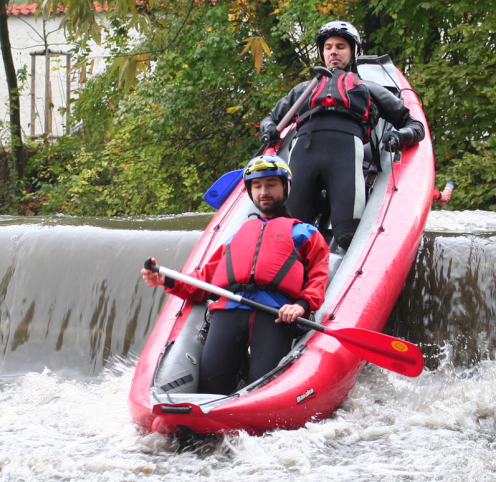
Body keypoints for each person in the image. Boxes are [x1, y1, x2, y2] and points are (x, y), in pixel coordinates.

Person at [141, 156, 330, 395]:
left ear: (286, 187)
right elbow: (204, 280)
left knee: (262, 388)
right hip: (228, 312)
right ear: (251, 192)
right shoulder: (237, 236)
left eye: (271, 184)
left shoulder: (305, 233)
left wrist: (301, 306)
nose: (264, 191)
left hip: (276, 315)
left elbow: (318, 278)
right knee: (211, 389)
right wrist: (167, 280)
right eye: (257, 186)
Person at [260, 20, 426, 249]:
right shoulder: (303, 90)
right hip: (303, 159)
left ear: (353, 51)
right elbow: (270, 119)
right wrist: (269, 130)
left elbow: (415, 126)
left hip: (344, 161)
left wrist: (399, 137)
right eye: (328, 47)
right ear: (322, 53)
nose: (333, 52)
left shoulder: (368, 88)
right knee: (286, 235)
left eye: (340, 46)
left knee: (348, 235)